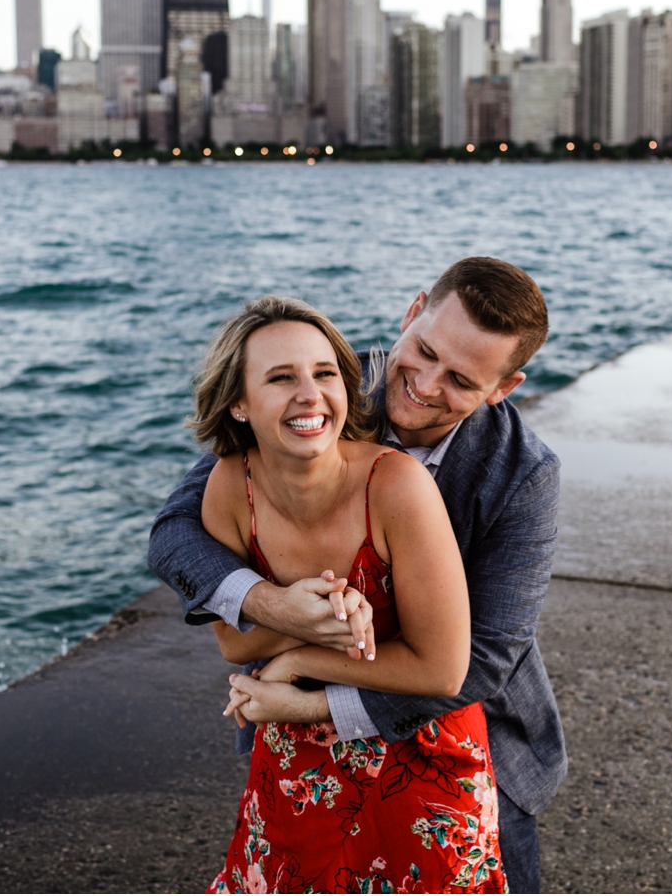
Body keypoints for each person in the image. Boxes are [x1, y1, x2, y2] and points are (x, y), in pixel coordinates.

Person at [151, 258, 564, 893]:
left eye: (459, 379)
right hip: (301, 747)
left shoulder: (522, 475)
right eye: (423, 350)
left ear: (502, 388)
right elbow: (176, 530)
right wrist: (273, 604)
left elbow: (483, 658)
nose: (423, 384)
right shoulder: (325, 388)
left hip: (461, 736)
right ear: (412, 312)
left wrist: (308, 694)